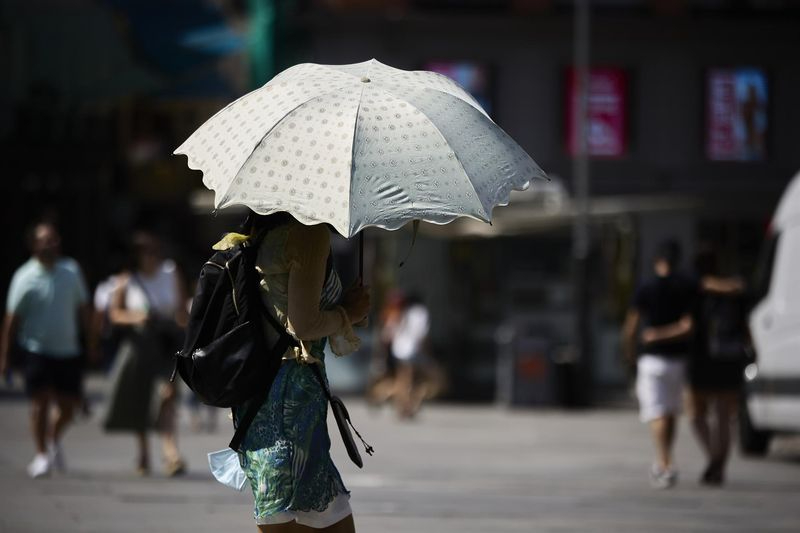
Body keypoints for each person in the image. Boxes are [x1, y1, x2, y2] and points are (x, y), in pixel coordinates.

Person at [213, 211, 369, 532]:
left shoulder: (259, 232)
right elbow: (303, 324)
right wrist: (348, 313)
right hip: (291, 400)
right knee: (307, 518)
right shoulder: (309, 234)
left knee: (284, 515)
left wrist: (345, 312)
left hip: (260, 393)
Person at [0, 221, 95, 478]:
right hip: (36, 349)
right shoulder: (24, 276)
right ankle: (42, 454)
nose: (50, 244)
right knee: (39, 402)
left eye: (54, 239)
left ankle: (52, 438)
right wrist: (5, 358)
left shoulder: (71, 271)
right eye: (45, 240)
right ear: (34, 245)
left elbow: (84, 309)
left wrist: (92, 343)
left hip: (68, 350)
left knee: (69, 407)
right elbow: (12, 319)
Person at [103, 231, 187, 476]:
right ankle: (143, 453)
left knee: (166, 395)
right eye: (143, 251)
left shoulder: (171, 273)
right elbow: (114, 314)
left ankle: (171, 453)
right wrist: (136, 317)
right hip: (139, 345)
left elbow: (183, 312)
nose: (149, 256)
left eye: (152, 250)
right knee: (139, 398)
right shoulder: (127, 280)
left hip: (166, 344)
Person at [622, 240, 697, 489]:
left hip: (652, 359)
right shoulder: (685, 286)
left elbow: (631, 327)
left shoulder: (646, 286)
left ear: (656, 260)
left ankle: (664, 463)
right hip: (678, 359)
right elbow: (688, 326)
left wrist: (633, 353)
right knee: (671, 412)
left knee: (656, 413)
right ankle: (667, 459)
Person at [688, 246, 748, 486]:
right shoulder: (734, 289)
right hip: (729, 358)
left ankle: (713, 459)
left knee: (695, 414)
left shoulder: (695, 287)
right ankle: (720, 464)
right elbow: (745, 326)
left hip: (702, 358)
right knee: (723, 415)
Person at [390, 293, 431, 419]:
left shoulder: (403, 311)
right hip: (412, 349)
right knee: (411, 380)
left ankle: (401, 406)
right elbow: (421, 333)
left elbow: (391, 330)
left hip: (399, 348)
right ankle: (407, 407)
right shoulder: (420, 312)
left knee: (402, 378)